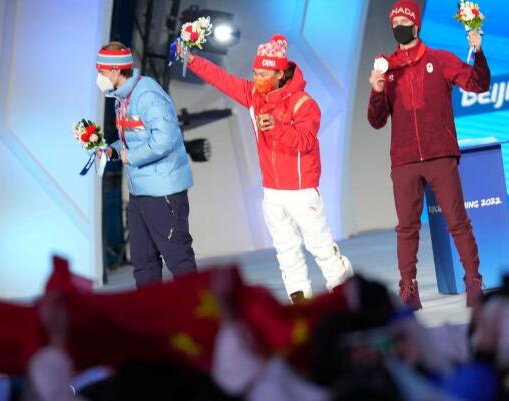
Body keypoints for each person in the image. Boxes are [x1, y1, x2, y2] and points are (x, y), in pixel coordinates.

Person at [181, 35, 353, 304]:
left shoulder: (304, 103)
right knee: (286, 250)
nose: (257, 78)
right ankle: (300, 302)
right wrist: (192, 60)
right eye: (255, 72)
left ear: (280, 73)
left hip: (301, 191)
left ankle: (346, 294)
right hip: (272, 192)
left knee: (319, 246)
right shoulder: (254, 96)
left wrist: (277, 127)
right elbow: (222, 80)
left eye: (263, 74)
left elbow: (306, 141)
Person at [367, 1, 490, 309]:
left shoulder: (440, 59)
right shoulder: (387, 69)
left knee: (458, 222)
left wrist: (477, 52)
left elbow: (478, 84)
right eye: (395, 24)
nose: (400, 28)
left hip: (440, 155)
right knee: (406, 229)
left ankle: (473, 281)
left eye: (405, 23)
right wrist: (377, 91)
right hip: (405, 160)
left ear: (416, 25)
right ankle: (408, 289)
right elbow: (376, 121)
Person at [95, 42, 197, 287]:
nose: (98, 76)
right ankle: (152, 310)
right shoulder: (122, 98)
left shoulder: (147, 95)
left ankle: (200, 309)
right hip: (140, 192)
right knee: (143, 262)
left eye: (101, 70)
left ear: (115, 70)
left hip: (162, 192)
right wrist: (112, 150)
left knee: (178, 258)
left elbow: (166, 139)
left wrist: (131, 156)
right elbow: (132, 139)